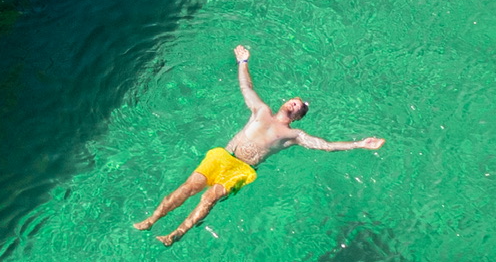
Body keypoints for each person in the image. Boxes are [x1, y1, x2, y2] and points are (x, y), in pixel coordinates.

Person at [133, 46, 385, 246]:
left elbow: (326, 145)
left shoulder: (293, 134)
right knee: (188, 187)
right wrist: (243, 62)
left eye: (299, 106)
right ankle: (152, 220)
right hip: (222, 156)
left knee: (209, 198)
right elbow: (246, 87)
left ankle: (176, 234)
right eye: (294, 100)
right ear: (285, 101)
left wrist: (359, 144)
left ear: (298, 117)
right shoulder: (261, 110)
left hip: (241, 170)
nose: (295, 103)